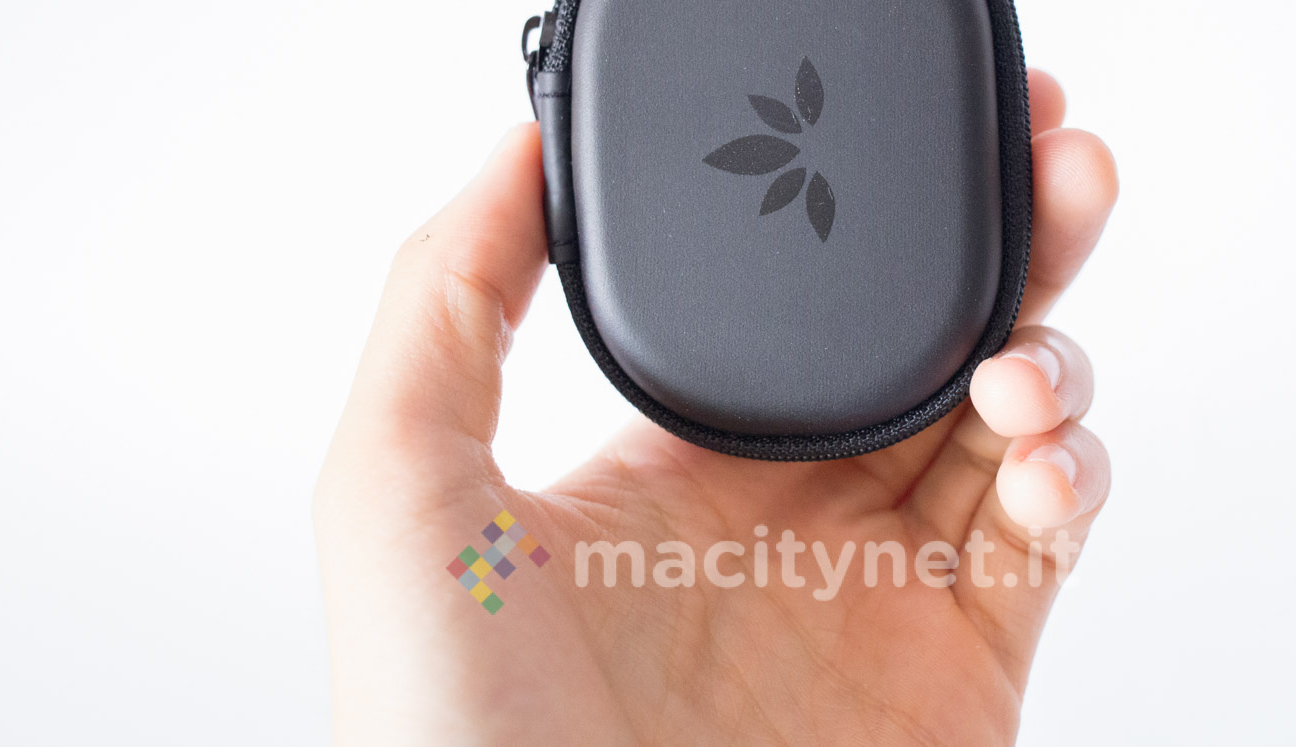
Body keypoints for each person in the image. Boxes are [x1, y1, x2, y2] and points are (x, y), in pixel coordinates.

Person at [315, 67, 1119, 744]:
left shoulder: (493, 567)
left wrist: (481, 571)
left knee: (1028, 394)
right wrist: (477, 573)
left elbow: (474, 571)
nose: (481, 566)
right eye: (481, 569)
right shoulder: (487, 568)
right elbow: (465, 569)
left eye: (480, 566)